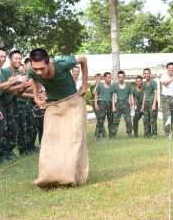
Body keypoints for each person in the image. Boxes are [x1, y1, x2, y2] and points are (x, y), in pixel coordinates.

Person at [26, 48, 89, 187]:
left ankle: (72, 175)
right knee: (50, 142)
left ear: (49, 63)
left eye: (42, 68)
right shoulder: (32, 71)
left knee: (74, 139)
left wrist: (84, 84)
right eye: (35, 69)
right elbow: (34, 80)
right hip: (54, 105)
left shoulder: (61, 63)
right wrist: (36, 97)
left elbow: (83, 59)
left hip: (73, 102)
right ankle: (50, 176)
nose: (39, 72)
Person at [112, 70, 134, 138]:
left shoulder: (128, 85)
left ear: (124, 77)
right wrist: (113, 106)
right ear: (118, 77)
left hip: (126, 104)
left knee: (128, 120)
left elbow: (131, 95)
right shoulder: (115, 85)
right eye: (119, 77)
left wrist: (132, 104)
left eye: (122, 77)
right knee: (115, 120)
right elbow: (113, 96)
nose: (120, 78)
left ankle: (129, 133)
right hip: (118, 103)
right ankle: (113, 135)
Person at [159, 62, 173, 135]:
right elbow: (165, 83)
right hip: (166, 97)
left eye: (172, 68)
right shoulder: (164, 76)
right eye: (169, 68)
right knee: (167, 115)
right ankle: (167, 132)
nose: (171, 69)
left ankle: (170, 129)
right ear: (167, 68)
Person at [94, 72, 115, 139]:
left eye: (110, 77)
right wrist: (96, 104)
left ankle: (111, 136)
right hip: (102, 103)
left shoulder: (112, 87)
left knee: (110, 120)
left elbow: (113, 96)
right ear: (105, 78)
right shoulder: (100, 85)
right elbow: (96, 94)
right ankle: (98, 135)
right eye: (109, 77)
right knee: (100, 120)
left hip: (110, 104)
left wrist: (113, 106)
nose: (110, 79)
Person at [141, 68, 158, 137]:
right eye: (145, 73)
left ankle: (154, 134)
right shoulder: (144, 84)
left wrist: (154, 104)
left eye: (147, 73)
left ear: (150, 74)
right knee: (145, 120)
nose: (146, 74)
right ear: (143, 74)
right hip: (146, 103)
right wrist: (142, 105)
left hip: (152, 102)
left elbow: (156, 93)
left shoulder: (153, 82)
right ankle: (147, 134)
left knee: (153, 120)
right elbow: (145, 94)